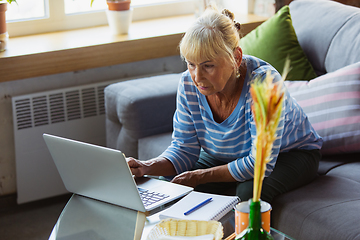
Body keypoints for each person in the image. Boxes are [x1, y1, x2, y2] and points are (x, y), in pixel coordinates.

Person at [127, 7, 323, 204]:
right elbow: (184, 149)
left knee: (248, 194)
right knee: (169, 183)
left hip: (291, 154)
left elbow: (258, 164)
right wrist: (145, 167)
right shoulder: (188, 84)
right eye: (191, 64)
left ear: (236, 58)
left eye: (208, 65)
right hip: (229, 155)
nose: (197, 77)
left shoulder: (264, 84)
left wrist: (200, 176)